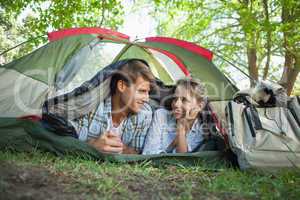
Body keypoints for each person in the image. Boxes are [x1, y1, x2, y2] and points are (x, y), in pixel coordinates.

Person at [74, 59, 155, 154]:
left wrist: (121, 148)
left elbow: (138, 152)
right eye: (141, 91)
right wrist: (93, 146)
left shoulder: (145, 113)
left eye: (148, 92)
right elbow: (70, 142)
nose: (146, 99)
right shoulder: (92, 106)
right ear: (121, 86)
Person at [143, 78, 207, 154]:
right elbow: (148, 153)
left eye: (184, 100)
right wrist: (173, 144)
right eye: (175, 99)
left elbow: (182, 158)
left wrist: (181, 130)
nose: (176, 104)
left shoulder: (201, 130)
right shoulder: (161, 115)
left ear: (200, 106)